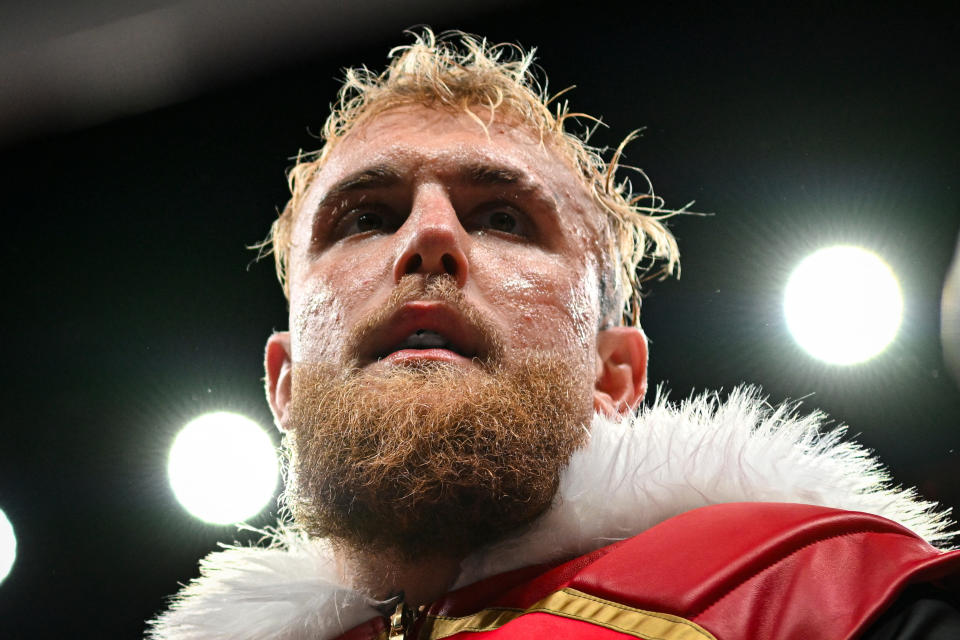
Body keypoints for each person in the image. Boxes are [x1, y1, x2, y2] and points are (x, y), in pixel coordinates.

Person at [148, 30, 960, 640]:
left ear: (615, 377)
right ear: (284, 383)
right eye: (367, 218)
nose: (430, 240)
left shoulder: (840, 602)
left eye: (503, 217)